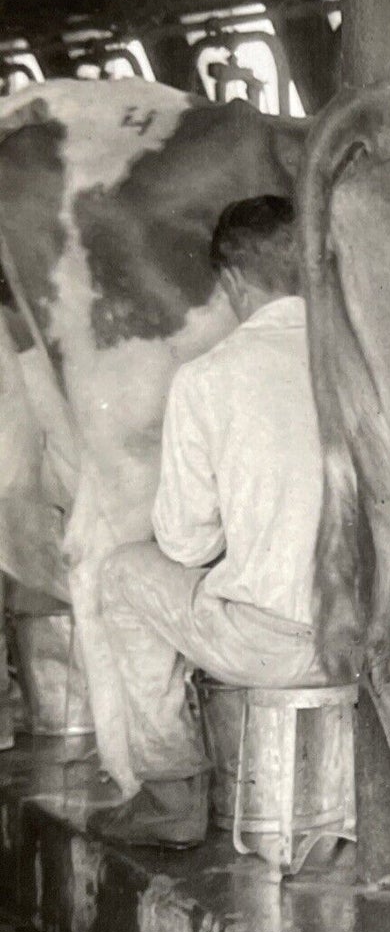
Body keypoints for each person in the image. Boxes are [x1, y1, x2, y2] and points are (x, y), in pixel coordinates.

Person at [92, 195, 327, 847]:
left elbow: (185, 542)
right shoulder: (361, 365)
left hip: (270, 646)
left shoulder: (207, 377)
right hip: (371, 639)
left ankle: (170, 792)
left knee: (121, 575)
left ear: (231, 282)